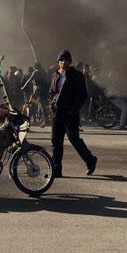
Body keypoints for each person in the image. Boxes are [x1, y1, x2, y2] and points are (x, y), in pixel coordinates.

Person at [49, 50, 97, 178]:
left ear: (70, 62)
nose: (63, 62)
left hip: (70, 115)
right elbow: (52, 93)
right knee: (56, 142)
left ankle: (90, 160)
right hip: (57, 114)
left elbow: (82, 95)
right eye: (61, 60)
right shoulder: (55, 75)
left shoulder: (77, 76)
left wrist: (73, 110)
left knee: (74, 140)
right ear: (58, 62)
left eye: (66, 60)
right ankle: (56, 170)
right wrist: (51, 105)